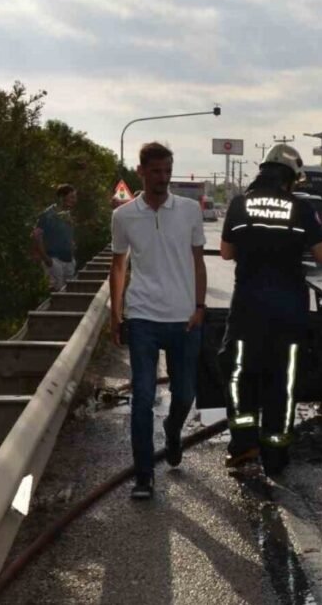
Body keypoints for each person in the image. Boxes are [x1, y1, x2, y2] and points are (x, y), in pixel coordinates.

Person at [219, 144, 322, 474]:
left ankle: (243, 445)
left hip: (247, 310)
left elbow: (226, 253)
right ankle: (276, 456)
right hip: (288, 312)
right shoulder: (300, 209)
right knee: (282, 382)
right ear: (291, 178)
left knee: (240, 374)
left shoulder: (240, 204)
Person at [109, 142, 208, 500]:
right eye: (156, 172)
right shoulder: (123, 216)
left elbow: (199, 261)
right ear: (141, 172)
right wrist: (115, 314)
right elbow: (119, 266)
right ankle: (144, 475)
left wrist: (199, 307)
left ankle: (172, 429)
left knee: (185, 394)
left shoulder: (187, 211)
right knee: (142, 397)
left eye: (168, 171)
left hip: (184, 318)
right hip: (142, 318)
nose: (163, 178)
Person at [33, 184, 78, 291]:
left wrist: (71, 243)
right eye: (71, 197)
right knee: (58, 295)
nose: (74, 200)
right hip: (54, 260)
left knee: (70, 293)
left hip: (69, 260)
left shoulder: (68, 214)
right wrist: (47, 259)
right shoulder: (47, 215)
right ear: (61, 198)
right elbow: (36, 237)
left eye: (74, 197)